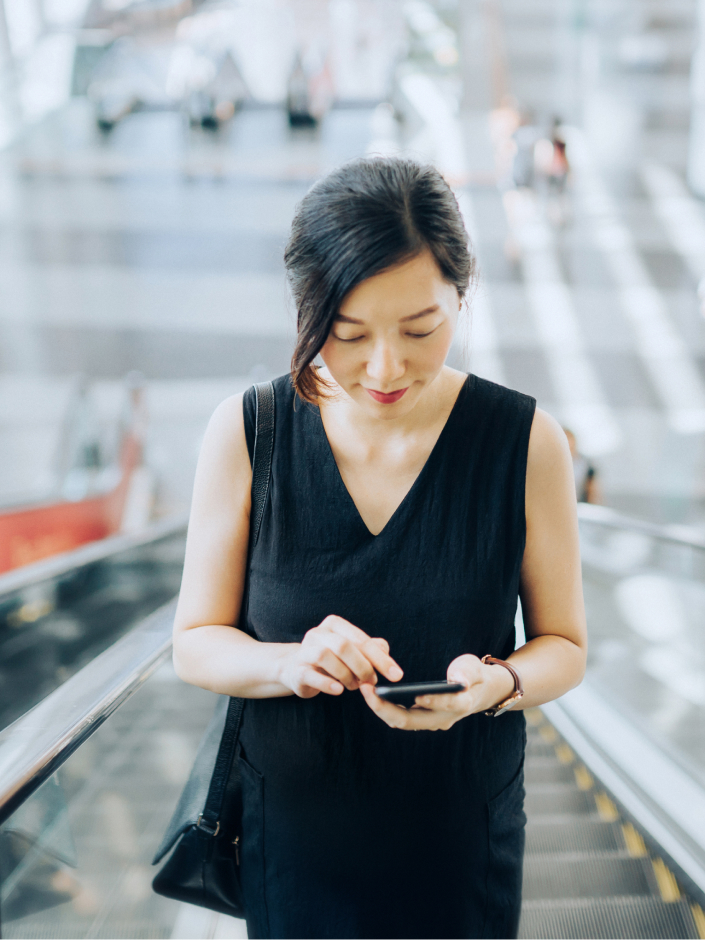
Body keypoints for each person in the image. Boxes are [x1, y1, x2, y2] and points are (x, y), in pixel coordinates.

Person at [172, 157, 587, 940]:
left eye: (421, 329)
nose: (386, 368)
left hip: (459, 835)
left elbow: (563, 645)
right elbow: (195, 645)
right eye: (349, 334)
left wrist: (490, 686)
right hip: (293, 841)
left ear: (461, 299)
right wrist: (286, 662)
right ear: (305, 310)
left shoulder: (524, 442)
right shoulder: (249, 432)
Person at [564, 427, 601, 505]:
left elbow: (593, 491)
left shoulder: (586, 465)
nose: (567, 442)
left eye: (569, 438)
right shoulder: (553, 463)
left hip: (581, 505)